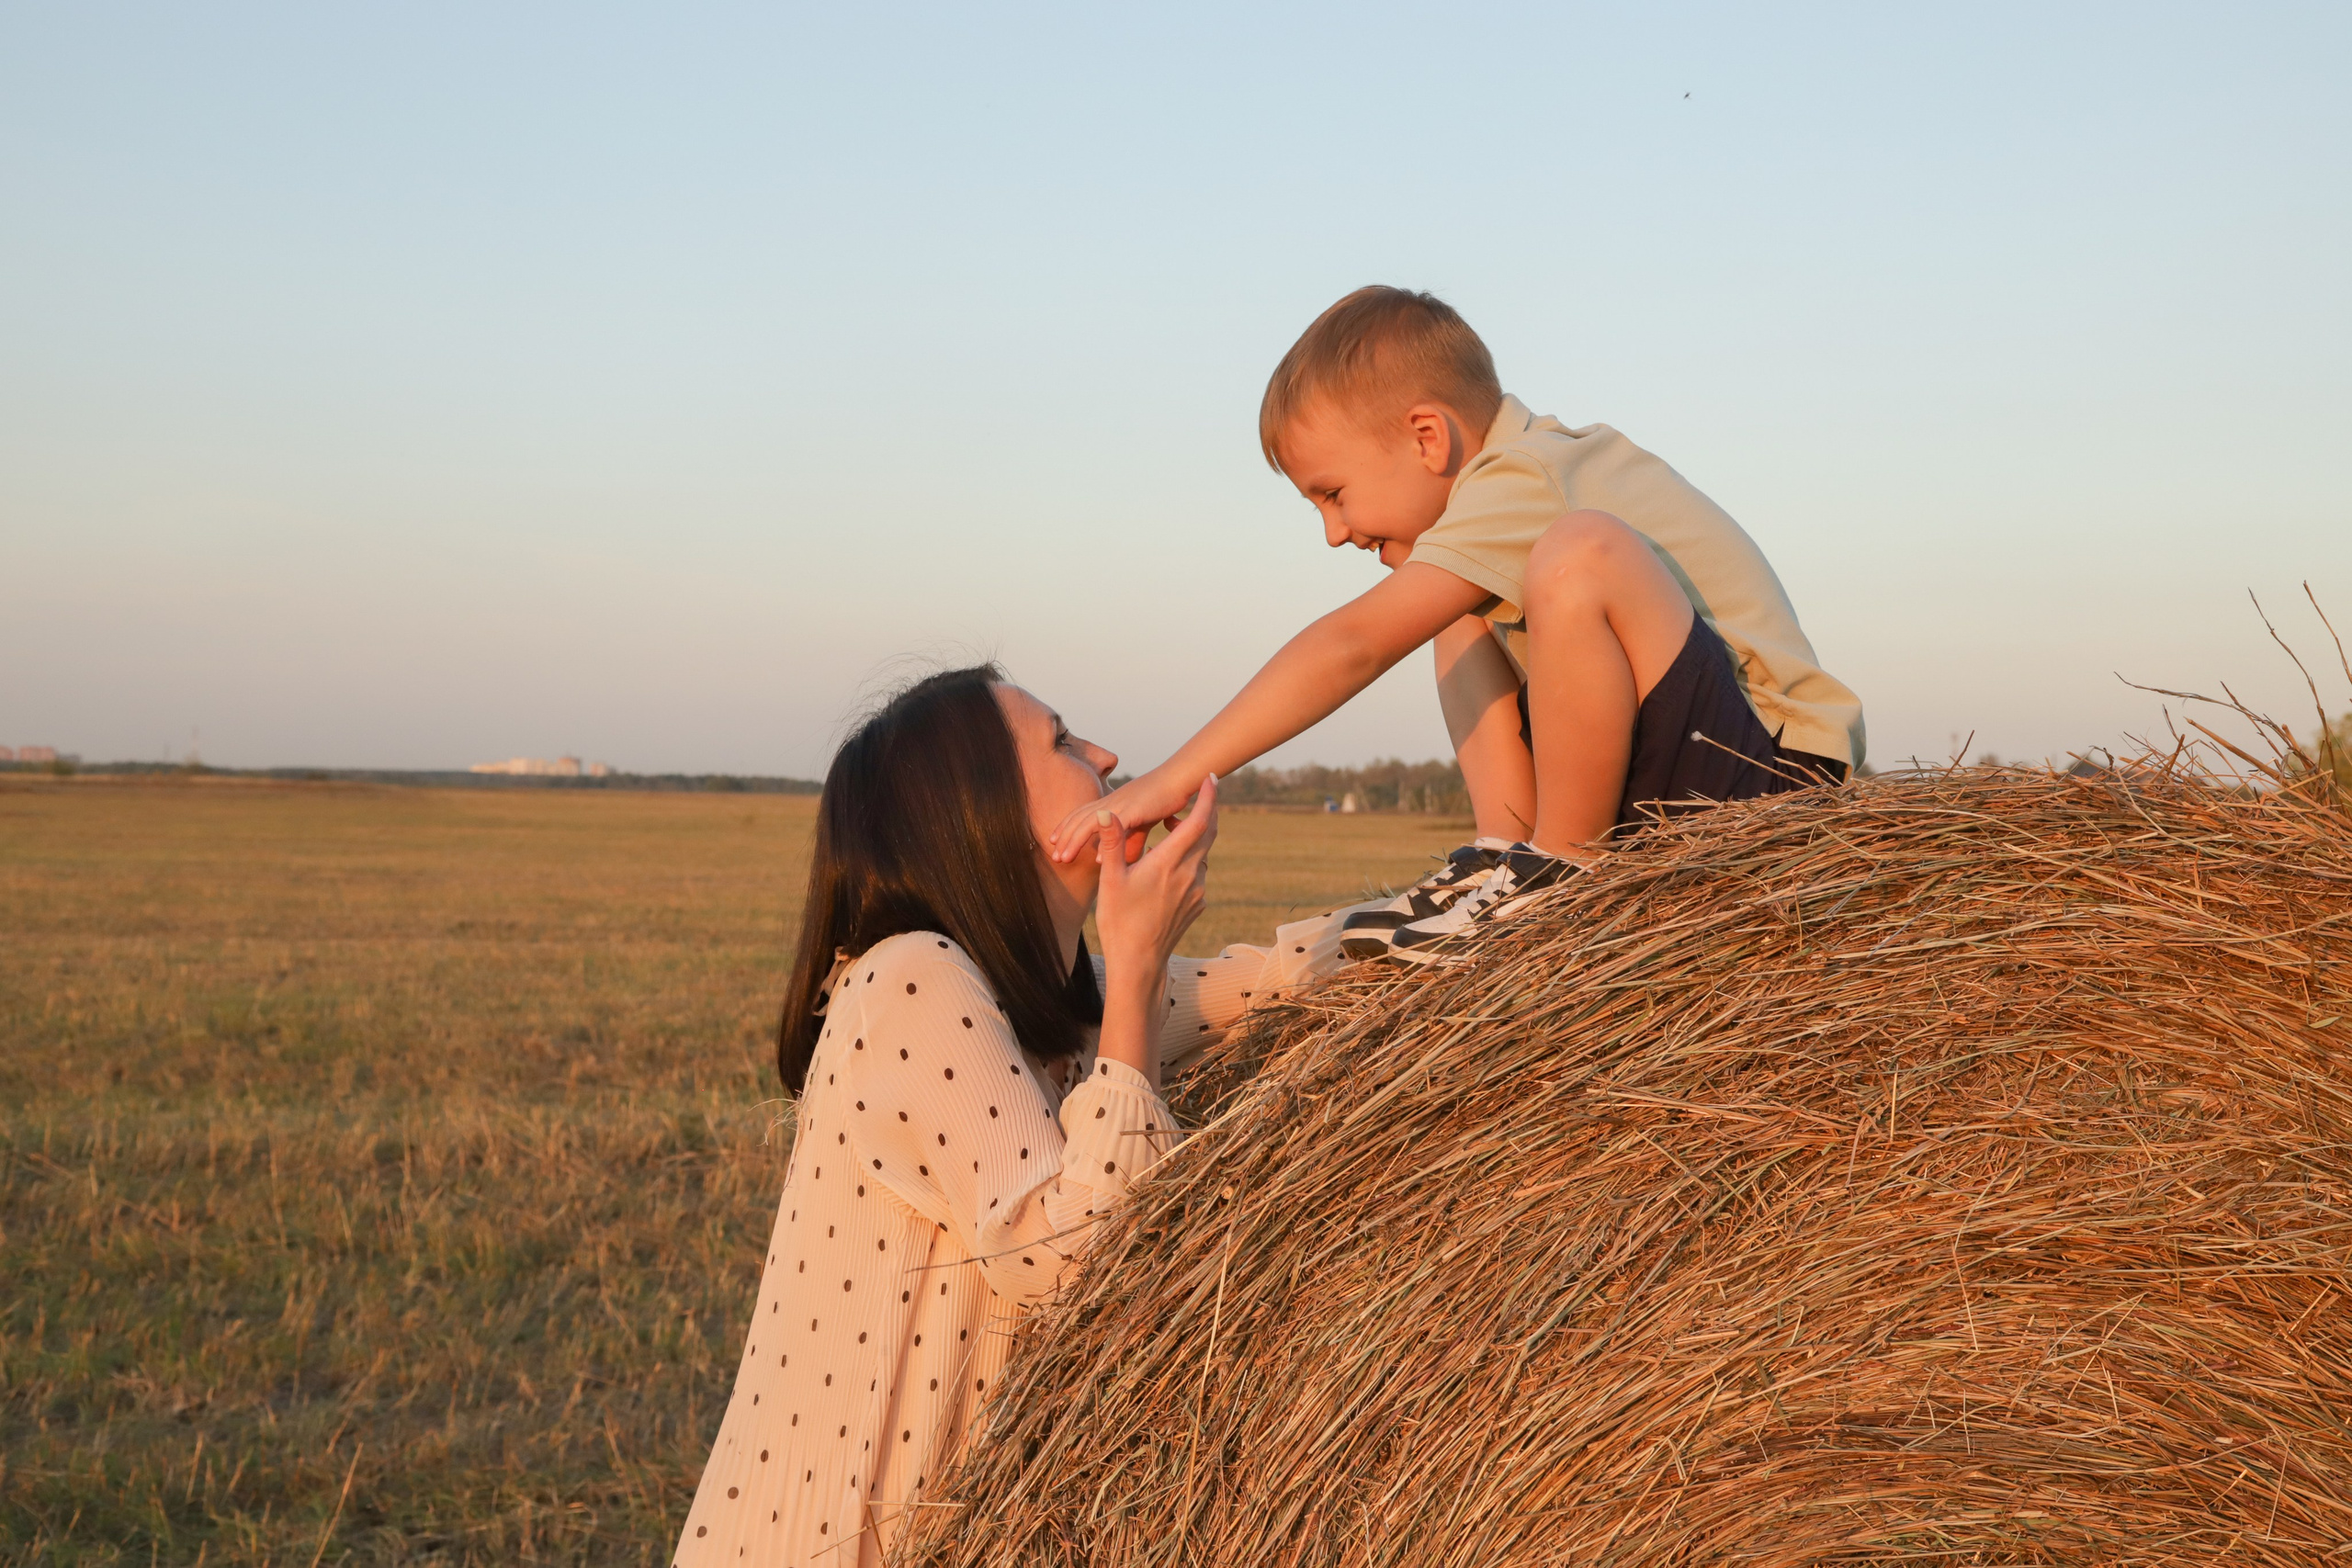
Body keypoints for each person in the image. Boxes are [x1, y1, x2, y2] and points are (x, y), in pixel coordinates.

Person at [670, 665, 1358, 1567]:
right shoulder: (910, 977)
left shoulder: (1047, 998)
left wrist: (1493, 908)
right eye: (1064, 741)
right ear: (983, 811)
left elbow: (1264, 985)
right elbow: (1080, 1267)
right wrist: (1139, 962)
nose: (1107, 754)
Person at [1052, 286, 1864, 962]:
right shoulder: (1486, 513)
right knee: (1446, 590)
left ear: (1427, 436)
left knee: (1579, 553)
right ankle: (1503, 859)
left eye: (1332, 494)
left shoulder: (1530, 473)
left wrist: (1166, 780)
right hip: (1685, 777)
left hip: (1775, 789)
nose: (1334, 532)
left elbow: (1352, 646)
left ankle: (1557, 875)